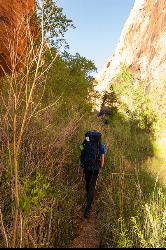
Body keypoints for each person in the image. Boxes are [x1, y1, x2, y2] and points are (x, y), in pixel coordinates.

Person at [78, 130, 105, 218]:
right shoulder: (100, 145)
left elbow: (81, 147)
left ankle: (87, 196)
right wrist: (101, 166)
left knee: (87, 183)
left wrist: (82, 159)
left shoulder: (86, 143)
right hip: (95, 168)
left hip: (86, 167)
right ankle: (87, 209)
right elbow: (102, 158)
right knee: (92, 187)